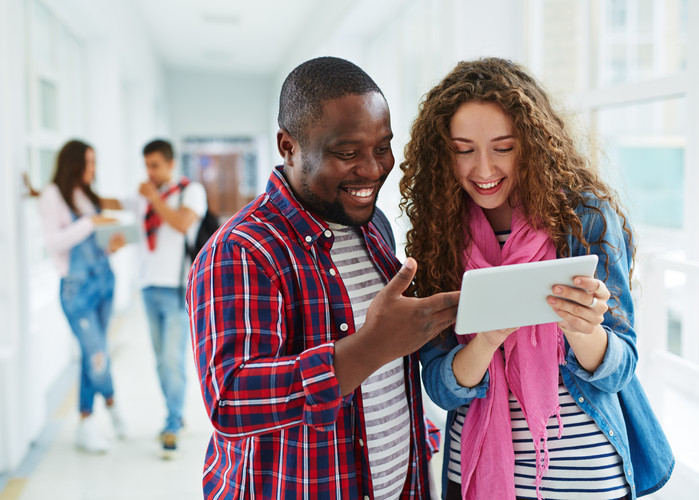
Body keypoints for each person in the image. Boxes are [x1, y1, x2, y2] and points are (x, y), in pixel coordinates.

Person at [399, 58, 674, 500]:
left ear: (530, 143)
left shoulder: (584, 218)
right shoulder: (439, 232)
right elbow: (439, 386)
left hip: (584, 479)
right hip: (473, 475)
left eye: (503, 147)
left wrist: (583, 330)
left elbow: (620, 368)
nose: (484, 169)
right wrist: (485, 342)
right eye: (463, 149)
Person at [186, 56, 459, 499]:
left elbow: (388, 376)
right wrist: (371, 347)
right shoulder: (240, 251)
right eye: (347, 154)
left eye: (382, 147)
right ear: (288, 146)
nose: (372, 169)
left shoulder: (374, 226)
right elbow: (230, 401)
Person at [38, 139, 127, 453]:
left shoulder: (86, 195)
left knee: (94, 355)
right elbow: (55, 243)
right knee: (97, 355)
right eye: (89, 163)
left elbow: (95, 242)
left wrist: (110, 244)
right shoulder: (52, 195)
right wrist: (91, 223)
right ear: (73, 164)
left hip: (103, 280)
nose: (93, 169)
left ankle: (86, 423)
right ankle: (113, 403)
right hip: (77, 289)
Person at [138, 139, 207, 459]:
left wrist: (153, 198)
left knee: (171, 360)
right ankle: (175, 414)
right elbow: (110, 206)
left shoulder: (190, 191)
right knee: (158, 362)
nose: (149, 172)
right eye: (146, 166)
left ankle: (171, 423)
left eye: (154, 165)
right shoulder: (144, 197)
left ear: (169, 164)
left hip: (179, 288)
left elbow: (181, 223)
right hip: (148, 287)